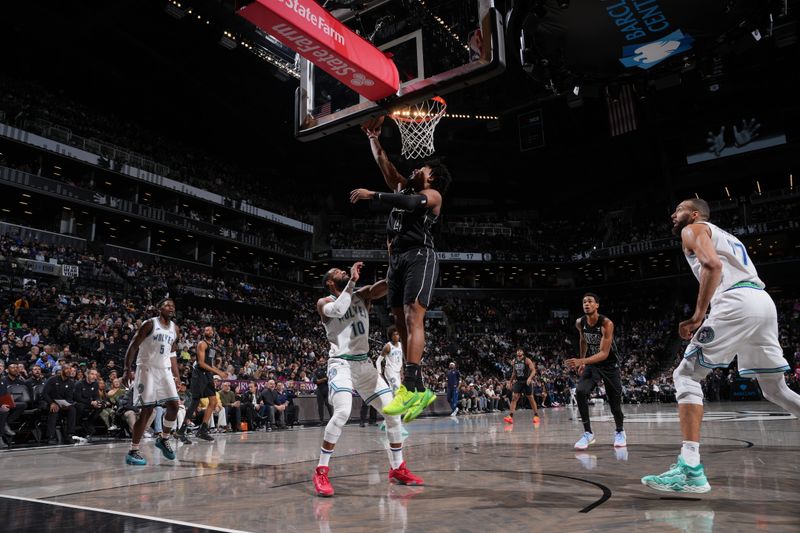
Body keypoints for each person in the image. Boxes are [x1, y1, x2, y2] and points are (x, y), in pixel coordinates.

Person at [642, 198, 800, 493]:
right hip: (762, 303)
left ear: (695, 213)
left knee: (685, 375)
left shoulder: (693, 229)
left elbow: (711, 266)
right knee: (775, 389)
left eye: (678, 210)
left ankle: (690, 468)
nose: (673, 215)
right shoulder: (724, 235)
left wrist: (698, 316)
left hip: (735, 302)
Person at [349, 120, 452, 422]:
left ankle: (411, 383)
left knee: (412, 315)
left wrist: (373, 195)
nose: (419, 168)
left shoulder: (433, 196)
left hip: (420, 256)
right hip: (397, 261)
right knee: (399, 322)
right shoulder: (403, 184)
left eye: (425, 168)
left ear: (432, 178)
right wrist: (373, 138)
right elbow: (386, 166)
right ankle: (419, 391)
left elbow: (409, 201)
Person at [313, 262, 422, 497]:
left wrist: (398, 268)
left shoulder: (362, 295)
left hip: (364, 365)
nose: (342, 272)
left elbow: (382, 286)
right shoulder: (324, 303)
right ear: (330, 282)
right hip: (341, 363)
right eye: (337, 273)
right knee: (342, 412)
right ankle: (321, 471)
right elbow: (340, 310)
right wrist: (351, 280)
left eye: (345, 272)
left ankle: (397, 468)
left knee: (393, 413)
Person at [122, 298, 181, 465]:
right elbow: (133, 346)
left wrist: (177, 376)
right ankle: (133, 450)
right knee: (147, 410)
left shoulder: (175, 329)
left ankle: (163, 439)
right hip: (146, 369)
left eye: (173, 305)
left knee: (174, 405)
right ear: (159, 308)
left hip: (165, 371)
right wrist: (127, 369)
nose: (170, 307)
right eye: (167, 305)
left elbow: (172, 354)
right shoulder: (149, 324)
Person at [566, 293, 627, 450]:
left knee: (615, 405)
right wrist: (582, 360)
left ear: (597, 305)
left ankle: (620, 431)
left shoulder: (606, 323)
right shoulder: (580, 323)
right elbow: (583, 340)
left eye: (590, 301)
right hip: (593, 364)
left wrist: (582, 361)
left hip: (609, 364)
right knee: (580, 391)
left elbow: (604, 353)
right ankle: (588, 434)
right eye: (584, 301)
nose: (586, 304)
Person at [176, 326, 228, 443]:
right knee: (195, 402)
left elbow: (210, 364)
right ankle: (180, 431)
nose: (208, 331)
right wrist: (218, 372)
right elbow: (201, 363)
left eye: (210, 330)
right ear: (204, 333)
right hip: (199, 375)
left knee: (213, 401)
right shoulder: (202, 344)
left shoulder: (212, 347)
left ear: (213, 333)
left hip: (208, 375)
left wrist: (221, 372)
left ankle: (202, 430)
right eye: (206, 330)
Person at [503, 349, 541, 425]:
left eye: (520, 351)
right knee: (514, 397)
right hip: (519, 381)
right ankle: (510, 416)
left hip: (526, 380)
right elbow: (514, 373)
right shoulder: (514, 361)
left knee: (530, 398)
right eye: (518, 351)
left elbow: (533, 370)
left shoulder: (527, 360)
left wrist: (530, 378)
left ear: (523, 352)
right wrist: (510, 382)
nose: (519, 352)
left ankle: (536, 416)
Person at [313, 357, 332, 426]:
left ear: (325, 361)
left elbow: (328, 378)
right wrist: (323, 379)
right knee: (320, 406)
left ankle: (332, 419)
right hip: (319, 390)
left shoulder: (328, 369)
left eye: (322, 361)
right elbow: (314, 381)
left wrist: (319, 380)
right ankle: (322, 421)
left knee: (328, 404)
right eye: (320, 361)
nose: (321, 362)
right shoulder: (316, 370)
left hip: (327, 389)